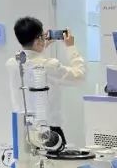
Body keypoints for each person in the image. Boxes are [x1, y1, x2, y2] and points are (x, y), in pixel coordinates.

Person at [5, 17, 86, 147]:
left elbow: (31, 59)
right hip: (49, 133)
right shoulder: (49, 66)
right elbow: (79, 76)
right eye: (41, 37)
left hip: (23, 131)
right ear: (38, 40)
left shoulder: (12, 63)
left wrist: (41, 45)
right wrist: (71, 47)